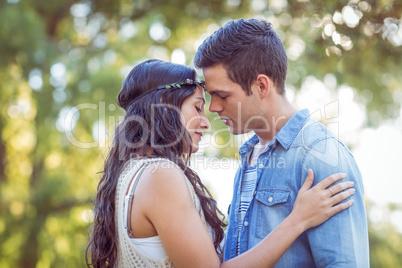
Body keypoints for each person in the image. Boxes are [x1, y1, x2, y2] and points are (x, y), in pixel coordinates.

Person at [86, 59, 356, 268]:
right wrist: (298, 220)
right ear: (163, 106)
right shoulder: (160, 176)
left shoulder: (129, 174)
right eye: (197, 107)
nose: (205, 121)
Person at [194, 18, 369, 267]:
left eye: (222, 95)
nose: (213, 107)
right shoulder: (249, 155)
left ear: (262, 86)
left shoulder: (322, 154)